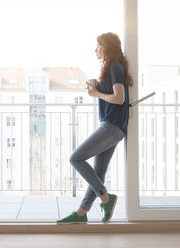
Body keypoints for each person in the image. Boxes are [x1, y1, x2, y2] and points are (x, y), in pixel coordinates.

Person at [56, 32, 133, 224]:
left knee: (76, 158)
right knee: (98, 173)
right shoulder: (111, 69)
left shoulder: (115, 67)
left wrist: (97, 93)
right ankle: (82, 213)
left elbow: (119, 98)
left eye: (98, 46)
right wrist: (95, 89)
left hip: (112, 126)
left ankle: (106, 199)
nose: (95, 50)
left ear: (106, 47)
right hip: (112, 126)